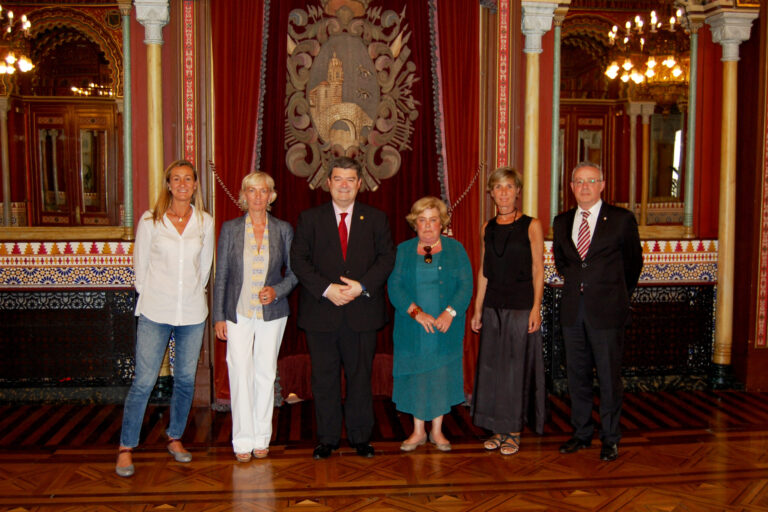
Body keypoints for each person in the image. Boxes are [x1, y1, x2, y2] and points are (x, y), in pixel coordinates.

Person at [290, 156, 395, 460]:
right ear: (328, 183)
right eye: (338, 179)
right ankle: (327, 438)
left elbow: (387, 258)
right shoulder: (310, 218)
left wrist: (362, 286)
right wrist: (327, 289)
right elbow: (299, 260)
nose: (344, 185)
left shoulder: (376, 218)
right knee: (324, 379)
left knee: (360, 378)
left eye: (350, 180)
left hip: (362, 312)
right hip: (321, 312)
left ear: (359, 184)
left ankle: (361, 437)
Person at [116, 159, 214, 477]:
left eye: (188, 179)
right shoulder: (151, 221)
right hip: (155, 311)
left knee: (185, 380)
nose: (182, 184)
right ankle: (126, 447)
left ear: (195, 185)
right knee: (144, 381)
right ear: (168, 185)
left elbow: (204, 269)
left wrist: (189, 295)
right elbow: (140, 268)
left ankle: (174, 437)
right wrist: (155, 296)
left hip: (192, 313)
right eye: (176, 179)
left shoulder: (205, 222)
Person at [553, 161, 643, 462]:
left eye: (591, 181)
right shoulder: (561, 221)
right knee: (576, 376)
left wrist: (616, 296)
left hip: (607, 312)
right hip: (572, 312)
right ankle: (581, 433)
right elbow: (563, 263)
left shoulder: (621, 219)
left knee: (608, 377)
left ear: (602, 185)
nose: (585, 187)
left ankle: (610, 437)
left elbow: (633, 264)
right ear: (571, 187)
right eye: (579, 181)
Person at [212, 171, 298, 462]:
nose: (258, 196)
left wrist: (277, 291)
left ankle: (262, 438)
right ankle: (242, 440)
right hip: (237, 312)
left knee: (265, 373)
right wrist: (219, 316)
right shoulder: (231, 229)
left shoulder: (283, 229)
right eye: (252, 190)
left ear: (271, 195)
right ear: (244, 195)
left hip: (272, 314)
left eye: (264, 191)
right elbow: (222, 275)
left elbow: (295, 273)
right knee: (239, 372)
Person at [470, 167, 546, 455]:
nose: (503, 193)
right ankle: (496, 428)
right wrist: (478, 310)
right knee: (492, 368)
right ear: (491, 193)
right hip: (493, 306)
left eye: (509, 187)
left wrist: (536, 307)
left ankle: (513, 431)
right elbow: (484, 271)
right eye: (498, 187)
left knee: (514, 370)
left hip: (520, 306)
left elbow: (538, 269)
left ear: (517, 192)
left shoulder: (531, 225)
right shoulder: (487, 227)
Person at [388, 197, 472, 452]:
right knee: (417, 375)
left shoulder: (456, 249)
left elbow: (465, 285)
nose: (427, 226)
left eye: (433, 220)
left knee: (440, 376)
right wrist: (416, 313)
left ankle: (436, 430)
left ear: (441, 223)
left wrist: (449, 313)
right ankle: (417, 431)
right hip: (413, 326)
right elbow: (394, 287)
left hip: (445, 327)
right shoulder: (403, 250)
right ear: (414, 223)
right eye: (422, 220)